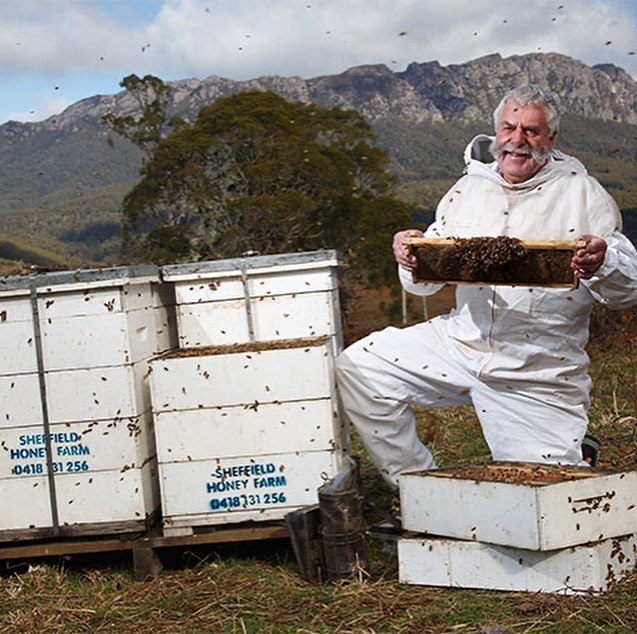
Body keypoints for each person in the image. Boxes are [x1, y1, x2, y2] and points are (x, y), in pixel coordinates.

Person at [336, 83, 637, 499]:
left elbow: (626, 290)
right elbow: (426, 282)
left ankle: (571, 455)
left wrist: (603, 263)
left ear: (551, 139)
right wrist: (411, 257)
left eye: (531, 131)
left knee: (544, 500)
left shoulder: (583, 194)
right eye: (508, 128)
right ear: (496, 132)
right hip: (461, 343)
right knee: (361, 367)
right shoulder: (466, 190)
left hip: (536, 370)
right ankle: (420, 491)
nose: (517, 141)